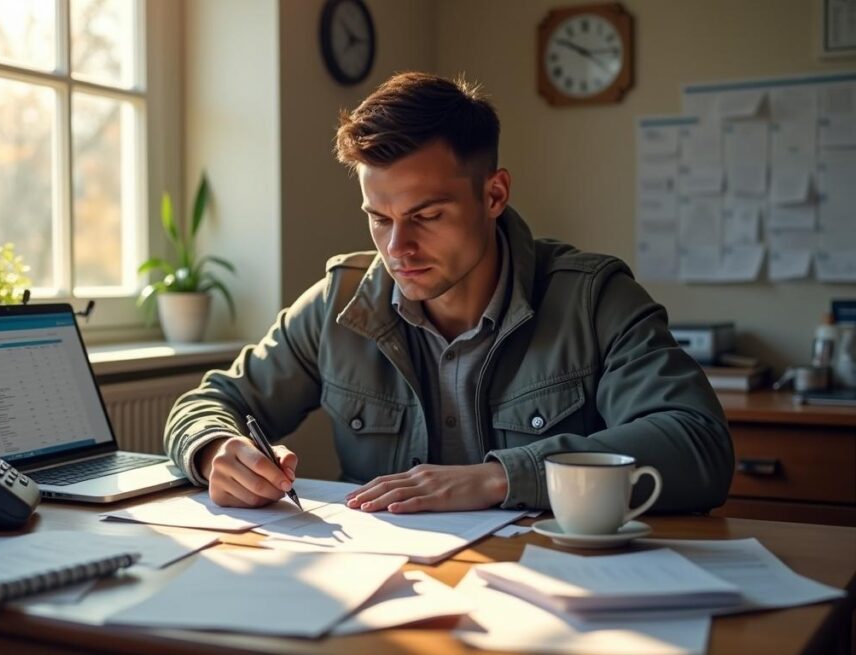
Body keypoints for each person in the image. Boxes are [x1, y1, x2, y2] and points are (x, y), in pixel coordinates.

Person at [165, 72, 733, 514]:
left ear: (494, 195)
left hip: (549, 583)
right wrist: (215, 449)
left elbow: (697, 443)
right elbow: (206, 405)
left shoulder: (594, 300)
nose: (398, 248)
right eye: (379, 218)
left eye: (427, 215)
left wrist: (499, 477)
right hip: (383, 587)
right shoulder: (339, 304)